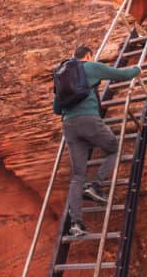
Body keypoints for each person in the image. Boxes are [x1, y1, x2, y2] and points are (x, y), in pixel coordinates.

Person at [54, 45, 141, 237]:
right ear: (88, 55)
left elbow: (57, 109)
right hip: (89, 120)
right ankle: (96, 186)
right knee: (114, 149)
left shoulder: (61, 75)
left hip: (69, 126)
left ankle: (76, 224)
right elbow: (121, 75)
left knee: (78, 175)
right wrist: (137, 69)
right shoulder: (91, 67)